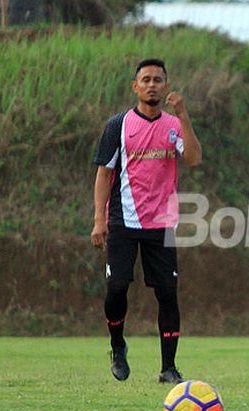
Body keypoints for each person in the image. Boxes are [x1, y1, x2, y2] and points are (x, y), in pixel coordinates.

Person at [90, 59, 203, 384]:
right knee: (116, 288)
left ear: (166, 87)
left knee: (167, 293)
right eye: (146, 79)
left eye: (158, 80)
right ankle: (117, 344)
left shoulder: (173, 124)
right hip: (123, 221)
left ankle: (168, 367)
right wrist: (99, 220)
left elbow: (194, 159)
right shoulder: (118, 125)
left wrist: (183, 115)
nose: (152, 84)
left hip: (161, 224)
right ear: (135, 87)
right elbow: (103, 173)